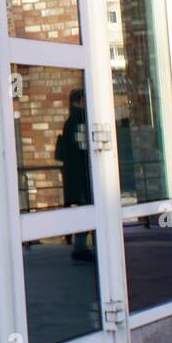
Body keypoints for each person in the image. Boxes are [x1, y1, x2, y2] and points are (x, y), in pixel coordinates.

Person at [55, 88, 93, 261]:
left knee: (84, 209)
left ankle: (80, 246)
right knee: (88, 209)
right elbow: (83, 151)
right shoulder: (81, 120)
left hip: (74, 176)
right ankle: (80, 248)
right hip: (83, 175)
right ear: (80, 100)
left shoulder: (70, 121)